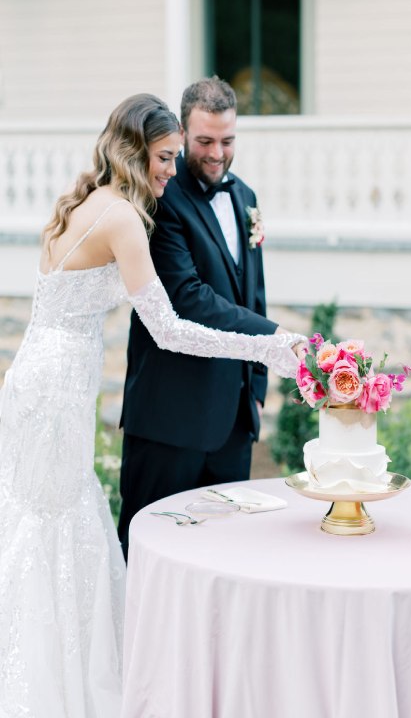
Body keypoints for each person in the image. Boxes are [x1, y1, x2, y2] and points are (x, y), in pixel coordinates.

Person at [0, 93, 302, 718]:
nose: (172, 170)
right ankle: (49, 686)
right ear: (136, 152)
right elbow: (172, 330)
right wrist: (269, 347)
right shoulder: (123, 220)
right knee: (59, 527)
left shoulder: (89, 203)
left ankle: (56, 668)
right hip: (56, 392)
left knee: (51, 524)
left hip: (44, 379)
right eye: (166, 157)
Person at [118, 76, 284, 557]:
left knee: (225, 558)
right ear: (183, 134)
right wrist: (276, 341)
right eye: (205, 141)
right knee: (149, 556)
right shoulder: (159, 196)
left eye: (227, 141)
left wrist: (254, 391)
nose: (216, 153)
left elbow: (253, 294)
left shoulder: (245, 196)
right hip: (170, 420)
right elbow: (188, 298)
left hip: (233, 422)